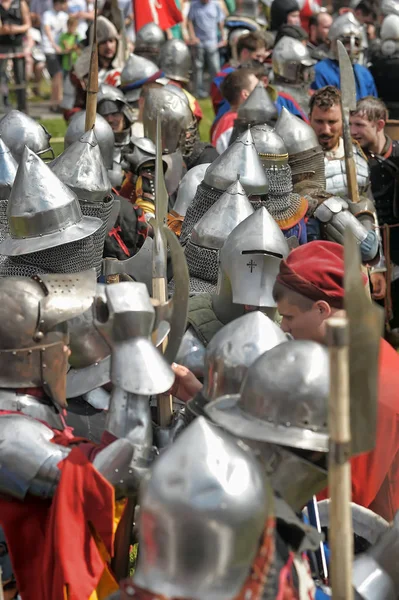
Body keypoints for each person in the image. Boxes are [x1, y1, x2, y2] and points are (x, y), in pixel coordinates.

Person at [272, 240, 399, 523]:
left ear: (321, 309)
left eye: (289, 316)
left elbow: (337, 507)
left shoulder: (370, 388)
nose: (284, 327)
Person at [350, 96, 399, 328]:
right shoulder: (352, 162)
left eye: (360, 125)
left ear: (379, 125)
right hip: (371, 248)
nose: (353, 131)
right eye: (350, 124)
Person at [311, 12, 377, 100]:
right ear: (334, 43)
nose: (351, 48)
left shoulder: (364, 73)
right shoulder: (320, 71)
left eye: (356, 43)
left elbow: (373, 106)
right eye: (346, 42)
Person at [210, 31, 270, 116]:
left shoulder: (258, 73)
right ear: (245, 53)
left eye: (262, 57)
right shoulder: (224, 76)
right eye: (257, 56)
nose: (260, 61)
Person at [211, 67, 259, 152]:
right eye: (257, 87)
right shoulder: (232, 125)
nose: (261, 91)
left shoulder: (238, 118)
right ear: (245, 94)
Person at [187, 0, 226, 99]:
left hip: (212, 42)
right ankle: (197, 93)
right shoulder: (194, 5)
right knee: (198, 68)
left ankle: (216, 91)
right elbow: (190, 21)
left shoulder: (215, 5)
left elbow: (220, 22)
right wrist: (192, 36)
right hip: (199, 42)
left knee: (215, 68)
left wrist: (223, 36)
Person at [0, 0, 31, 112]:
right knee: (1, 76)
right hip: (2, 45)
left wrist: (14, 29)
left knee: (20, 77)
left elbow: (27, 24)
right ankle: (2, 106)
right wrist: (3, 30)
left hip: (18, 45)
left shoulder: (20, 3)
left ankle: (22, 108)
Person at [41, 0, 69, 112]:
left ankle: (54, 103)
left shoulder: (64, 16)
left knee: (58, 77)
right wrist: (54, 45)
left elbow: (66, 33)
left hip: (60, 51)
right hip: (50, 49)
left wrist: (66, 46)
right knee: (57, 75)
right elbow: (47, 30)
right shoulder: (47, 14)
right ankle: (57, 102)